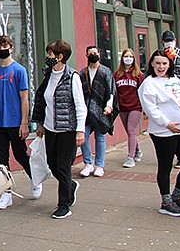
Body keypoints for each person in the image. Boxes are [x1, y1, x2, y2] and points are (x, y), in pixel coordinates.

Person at [32, 40, 87, 219]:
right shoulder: (48, 75)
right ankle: (70, 186)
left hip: (67, 130)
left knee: (63, 168)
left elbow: (80, 105)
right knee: (52, 165)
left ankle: (64, 204)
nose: (47, 57)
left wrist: (80, 131)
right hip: (50, 129)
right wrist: (40, 123)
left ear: (60, 57)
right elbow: (42, 100)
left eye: (50, 54)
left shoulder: (72, 77)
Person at [0, 34, 41, 210]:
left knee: (21, 155)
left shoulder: (19, 70)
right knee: (2, 160)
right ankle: (6, 193)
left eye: (5, 46)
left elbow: (24, 98)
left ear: (11, 48)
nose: (2, 50)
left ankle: (35, 179)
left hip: (15, 122)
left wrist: (25, 122)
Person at [137, 49, 180, 217]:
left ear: (169, 65)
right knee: (166, 166)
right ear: (152, 64)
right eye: (157, 63)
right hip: (164, 132)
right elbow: (151, 109)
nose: (161, 67)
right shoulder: (149, 83)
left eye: (164, 63)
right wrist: (167, 123)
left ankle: (176, 196)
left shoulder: (175, 79)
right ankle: (166, 201)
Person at [78, 45, 117, 178]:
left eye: (95, 53)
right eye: (90, 54)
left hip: (101, 109)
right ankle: (88, 163)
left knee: (100, 137)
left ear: (99, 54)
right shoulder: (83, 73)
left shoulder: (105, 72)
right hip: (86, 110)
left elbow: (111, 91)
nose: (93, 55)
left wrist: (109, 106)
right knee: (84, 136)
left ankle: (99, 165)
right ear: (86, 56)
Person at [114, 48, 145, 168]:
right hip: (122, 107)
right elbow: (114, 91)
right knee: (129, 131)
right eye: (126, 56)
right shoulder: (117, 74)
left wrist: (145, 108)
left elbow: (143, 92)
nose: (128, 59)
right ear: (122, 58)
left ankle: (130, 157)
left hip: (135, 107)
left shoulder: (138, 75)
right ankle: (137, 150)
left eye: (130, 56)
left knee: (131, 130)